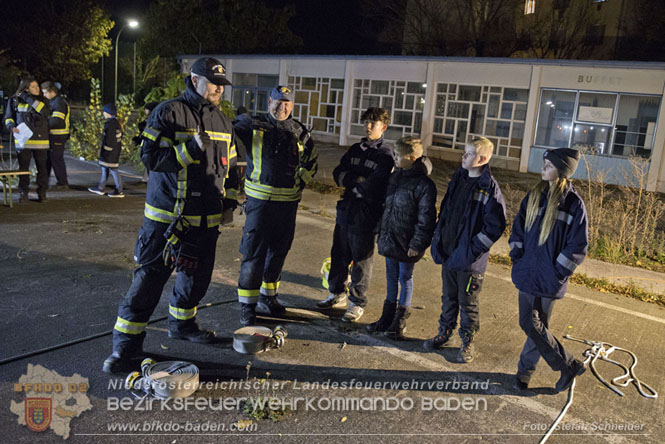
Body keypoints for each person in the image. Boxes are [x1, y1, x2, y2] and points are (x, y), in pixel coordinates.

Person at [103, 57, 241, 373]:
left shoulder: (222, 120)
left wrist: (230, 205)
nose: (219, 89)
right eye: (213, 82)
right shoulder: (168, 112)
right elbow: (150, 159)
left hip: (205, 223)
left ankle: (182, 325)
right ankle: (124, 351)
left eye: (222, 84)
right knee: (149, 282)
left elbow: (231, 168)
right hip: (167, 222)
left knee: (196, 280)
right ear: (194, 80)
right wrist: (189, 150)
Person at [235, 85, 318, 326]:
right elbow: (230, 135)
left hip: (287, 203)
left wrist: (299, 181)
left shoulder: (299, 131)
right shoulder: (254, 125)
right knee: (253, 254)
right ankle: (248, 307)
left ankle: (268, 297)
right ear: (269, 101)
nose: (282, 106)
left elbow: (311, 161)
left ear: (292, 105)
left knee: (278, 253)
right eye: (278, 101)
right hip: (259, 203)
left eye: (287, 103)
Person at [510, 148, 588, 392]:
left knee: (537, 325)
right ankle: (568, 365)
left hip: (549, 278)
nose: (543, 168)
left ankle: (526, 371)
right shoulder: (534, 195)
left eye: (548, 165)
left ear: (562, 171)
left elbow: (578, 245)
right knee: (532, 325)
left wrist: (557, 272)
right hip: (528, 272)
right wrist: (517, 256)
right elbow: (518, 230)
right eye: (544, 164)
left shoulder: (574, 204)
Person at [424, 137, 506, 363]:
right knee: (448, 298)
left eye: (468, 154)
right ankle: (444, 332)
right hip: (450, 254)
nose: (463, 157)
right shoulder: (459, 178)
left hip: (469, 262)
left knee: (468, 303)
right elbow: (448, 210)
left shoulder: (489, 188)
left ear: (483, 159)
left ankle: (467, 342)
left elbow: (494, 228)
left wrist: (471, 251)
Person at [316, 107, 394, 323]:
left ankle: (357, 303)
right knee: (339, 253)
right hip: (346, 210)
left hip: (367, 214)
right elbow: (337, 173)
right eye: (367, 122)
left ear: (383, 127)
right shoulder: (354, 149)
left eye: (374, 123)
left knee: (361, 260)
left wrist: (357, 183)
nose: (369, 126)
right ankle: (336, 293)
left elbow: (376, 185)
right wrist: (356, 181)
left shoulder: (385, 156)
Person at [369, 136, 437, 337]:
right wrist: (381, 232)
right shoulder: (395, 177)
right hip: (392, 238)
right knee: (391, 277)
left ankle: (400, 321)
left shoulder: (424, 185)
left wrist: (417, 243)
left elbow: (426, 218)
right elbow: (387, 209)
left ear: (413, 158)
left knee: (405, 278)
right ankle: (387, 317)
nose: (395, 158)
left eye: (399, 155)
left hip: (407, 242)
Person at [3, 77, 50, 202]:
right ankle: (23, 192)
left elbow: (44, 111)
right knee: (23, 170)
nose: (37, 89)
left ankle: (42, 192)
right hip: (23, 141)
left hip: (40, 142)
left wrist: (26, 97)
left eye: (37, 86)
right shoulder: (14, 100)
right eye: (34, 87)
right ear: (26, 88)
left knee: (42, 169)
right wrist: (11, 127)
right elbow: (8, 117)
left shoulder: (43, 100)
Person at [88, 103, 124, 197]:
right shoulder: (116, 122)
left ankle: (119, 190)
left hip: (110, 152)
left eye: (104, 112)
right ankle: (101, 187)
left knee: (113, 169)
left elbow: (109, 139)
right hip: (114, 150)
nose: (103, 114)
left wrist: (106, 149)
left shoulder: (110, 124)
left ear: (108, 113)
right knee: (106, 168)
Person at [41, 81, 70, 189]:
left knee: (56, 159)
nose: (44, 95)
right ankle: (44, 180)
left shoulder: (59, 103)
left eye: (45, 93)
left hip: (58, 135)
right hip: (53, 135)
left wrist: (43, 126)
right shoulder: (54, 102)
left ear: (52, 92)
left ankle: (63, 183)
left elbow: (57, 121)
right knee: (49, 158)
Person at [133, 102, 158, 182]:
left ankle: (150, 180)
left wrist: (140, 138)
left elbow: (149, 136)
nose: (145, 112)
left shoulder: (155, 121)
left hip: (152, 149)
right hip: (147, 147)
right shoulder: (149, 120)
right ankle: (147, 178)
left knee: (151, 165)